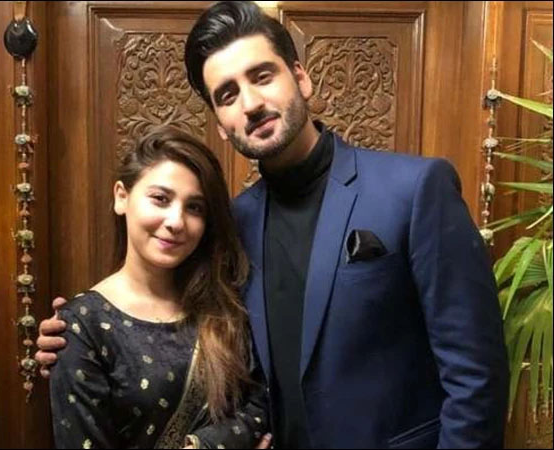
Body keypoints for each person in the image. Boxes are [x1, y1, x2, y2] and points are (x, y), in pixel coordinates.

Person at [38, 2, 509, 448]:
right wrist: (73, 338)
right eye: (227, 95)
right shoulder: (232, 223)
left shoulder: (414, 188)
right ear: (221, 125)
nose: (250, 103)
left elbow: (476, 375)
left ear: (300, 78)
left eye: (262, 76)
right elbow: (168, 314)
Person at [47, 126, 270, 449]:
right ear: (122, 197)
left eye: (195, 207)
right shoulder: (83, 325)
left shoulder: (223, 305)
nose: (176, 221)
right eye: (160, 199)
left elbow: (260, 405)